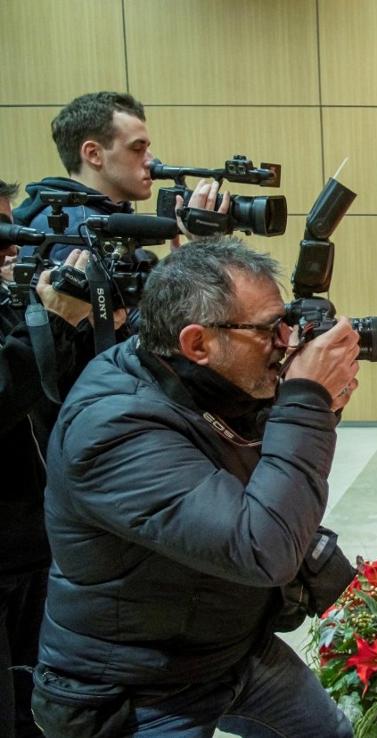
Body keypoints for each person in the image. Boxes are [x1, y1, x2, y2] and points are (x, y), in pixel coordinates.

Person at [33, 237, 360, 736]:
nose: (288, 341)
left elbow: (270, 477)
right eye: (271, 328)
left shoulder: (204, 379)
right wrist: (306, 401)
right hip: (140, 686)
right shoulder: (111, 430)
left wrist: (317, 404)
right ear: (197, 343)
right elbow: (262, 545)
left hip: (228, 644)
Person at [0, 179, 93, 738]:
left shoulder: (6, 294)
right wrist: (50, 320)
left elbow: (50, 388)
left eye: (11, 224)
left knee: (38, 703)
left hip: (35, 543)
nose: (11, 243)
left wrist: (79, 326)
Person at [12, 90, 226, 257]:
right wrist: (203, 251)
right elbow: (127, 313)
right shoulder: (75, 231)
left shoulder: (98, 218)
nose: (151, 160)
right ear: (94, 154)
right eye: (137, 148)